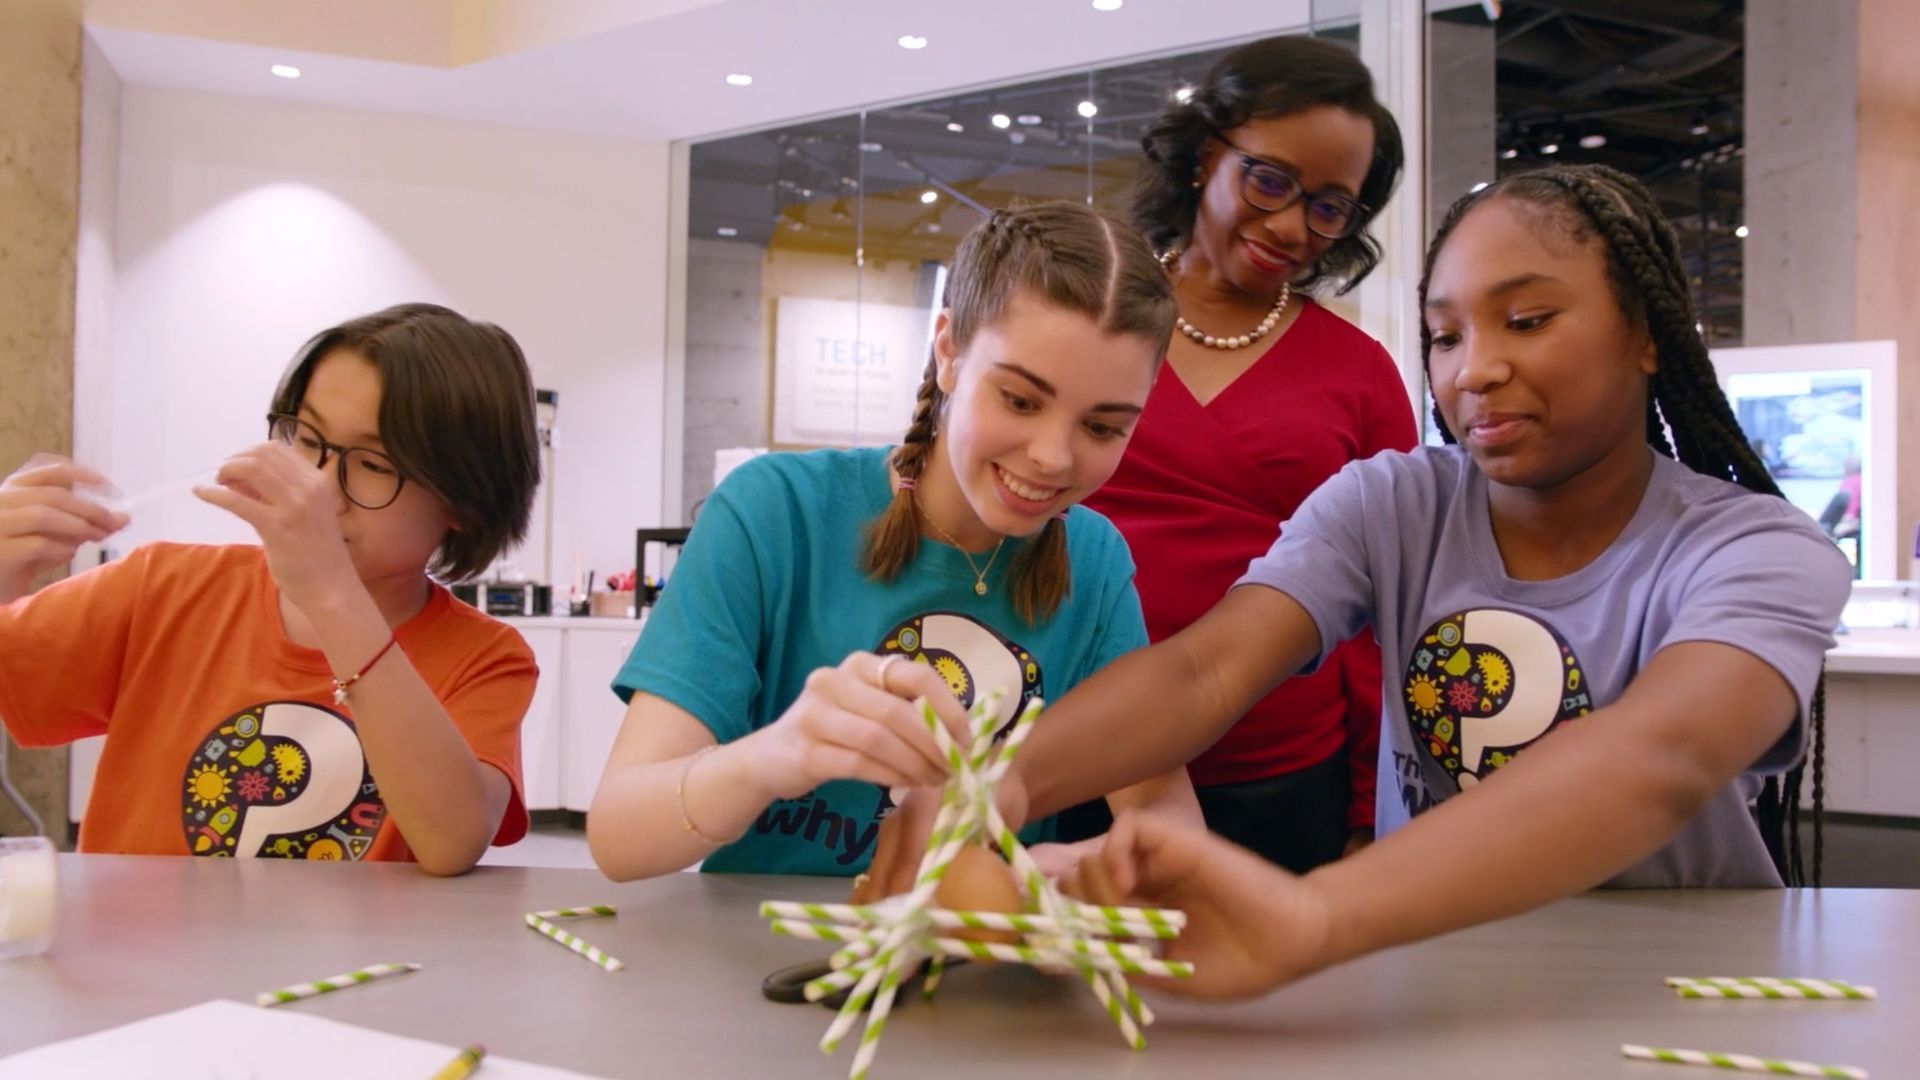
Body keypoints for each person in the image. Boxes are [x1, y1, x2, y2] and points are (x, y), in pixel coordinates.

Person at [906, 164, 1847, 998]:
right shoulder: (1391, 505)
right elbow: (1204, 674)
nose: (1475, 368)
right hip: (1429, 972)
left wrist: (1312, 915)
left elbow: (1661, 757)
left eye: (1527, 320)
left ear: (1644, 334)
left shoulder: (1754, 550)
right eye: (1443, 336)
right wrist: (991, 786)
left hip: (1681, 987)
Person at [587, 202, 1197, 882]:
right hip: (756, 960)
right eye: (1020, 401)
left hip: (970, 968)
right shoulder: (774, 513)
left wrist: (1076, 870)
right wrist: (772, 755)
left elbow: (1165, 820)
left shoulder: (1094, 561)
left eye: (1103, 428)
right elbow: (619, 834)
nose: (1053, 457)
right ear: (948, 351)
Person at [0, 303, 543, 875]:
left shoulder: (486, 658)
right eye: (307, 438)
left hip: (353, 967)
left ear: (466, 503)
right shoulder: (162, 587)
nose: (315, 486)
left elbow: (451, 842)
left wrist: (330, 592)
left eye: (375, 465)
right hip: (135, 957)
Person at [1066, 34, 1416, 873]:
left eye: (1330, 207)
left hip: (1285, 776)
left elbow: (1389, 614)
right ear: (1202, 158)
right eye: (1271, 181)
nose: (1293, 226)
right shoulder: (1087, 319)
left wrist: (1371, 804)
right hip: (1077, 748)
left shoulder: (1360, 372)